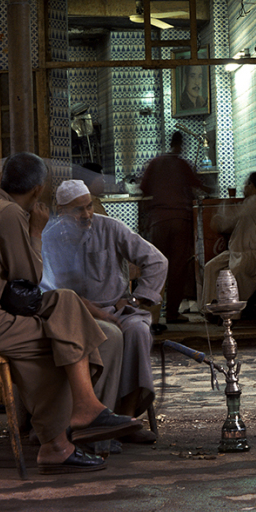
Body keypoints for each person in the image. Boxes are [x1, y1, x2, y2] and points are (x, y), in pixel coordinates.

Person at [0, 152, 143, 475]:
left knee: (65, 301)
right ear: (38, 190)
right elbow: (28, 275)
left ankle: (85, 406)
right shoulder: (8, 213)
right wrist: (36, 232)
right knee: (52, 343)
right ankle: (56, 444)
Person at [42, 179, 167, 432]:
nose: (86, 214)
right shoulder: (49, 238)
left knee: (138, 331)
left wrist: (135, 299)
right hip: (75, 314)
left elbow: (157, 261)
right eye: (78, 210)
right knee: (105, 336)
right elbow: (49, 289)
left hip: (118, 310)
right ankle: (89, 416)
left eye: (89, 206)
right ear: (61, 210)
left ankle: (127, 418)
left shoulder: (111, 228)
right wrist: (90, 310)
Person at [140, 131, 208, 322]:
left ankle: (151, 314)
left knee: (154, 267)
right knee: (177, 269)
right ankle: (171, 313)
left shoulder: (155, 163)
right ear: (180, 145)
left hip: (158, 221)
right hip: (180, 220)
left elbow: (143, 188)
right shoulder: (182, 164)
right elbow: (198, 185)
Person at [200, 171, 256, 312]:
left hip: (253, 254)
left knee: (231, 275)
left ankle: (231, 315)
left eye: (245, 184)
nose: (243, 188)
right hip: (236, 252)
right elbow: (232, 222)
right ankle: (210, 309)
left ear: (251, 185)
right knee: (211, 267)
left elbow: (232, 218)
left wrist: (221, 210)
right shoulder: (250, 202)